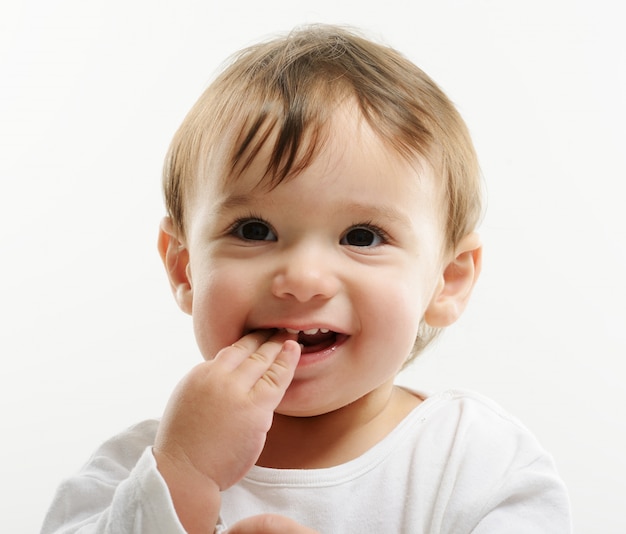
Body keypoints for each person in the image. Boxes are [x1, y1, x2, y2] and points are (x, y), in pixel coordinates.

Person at [41, 24, 572, 533]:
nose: (302, 279)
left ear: (447, 280)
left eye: (362, 236)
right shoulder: (132, 472)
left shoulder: (480, 465)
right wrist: (184, 475)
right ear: (184, 267)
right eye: (253, 229)